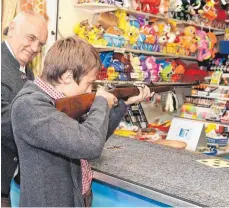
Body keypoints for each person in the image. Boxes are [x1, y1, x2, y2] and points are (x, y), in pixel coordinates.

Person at [10, 36, 152, 207]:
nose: (89, 90)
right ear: (68, 76)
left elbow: (94, 134)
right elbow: (90, 144)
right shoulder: (30, 105)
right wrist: (100, 102)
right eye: (88, 83)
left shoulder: (62, 99)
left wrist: (122, 103)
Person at [1, 11, 48, 204]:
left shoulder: (26, 72)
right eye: (31, 38)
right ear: (12, 29)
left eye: (41, 44)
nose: (35, 47)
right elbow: (4, 123)